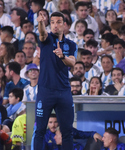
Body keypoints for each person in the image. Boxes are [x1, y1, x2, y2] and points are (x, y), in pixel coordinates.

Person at [33, 11, 77, 150]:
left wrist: (62, 56)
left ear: (64, 25)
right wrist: (40, 23)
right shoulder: (47, 40)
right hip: (46, 91)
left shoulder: (71, 44)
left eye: (58, 22)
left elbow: (72, 63)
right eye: (52, 22)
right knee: (40, 130)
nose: (55, 25)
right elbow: (42, 33)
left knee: (67, 131)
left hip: (64, 92)